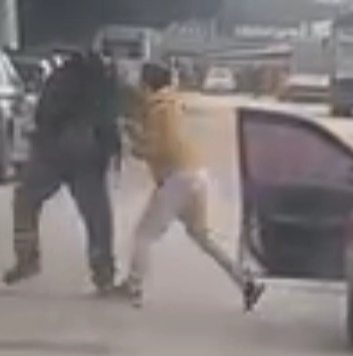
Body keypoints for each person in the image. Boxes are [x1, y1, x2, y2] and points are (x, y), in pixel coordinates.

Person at [113, 62, 265, 310]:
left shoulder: (159, 108)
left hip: (177, 179)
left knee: (144, 235)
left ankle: (134, 286)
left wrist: (133, 145)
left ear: (148, 84)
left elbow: (159, 147)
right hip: (195, 175)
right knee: (202, 236)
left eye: (141, 82)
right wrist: (136, 133)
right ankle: (246, 282)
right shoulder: (173, 103)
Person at [3, 50, 121, 293]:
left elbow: (44, 112)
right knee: (97, 217)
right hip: (89, 157)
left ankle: (27, 257)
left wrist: (42, 137)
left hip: (54, 152)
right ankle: (103, 272)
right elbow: (111, 122)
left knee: (26, 200)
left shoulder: (61, 77)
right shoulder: (106, 84)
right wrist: (109, 152)